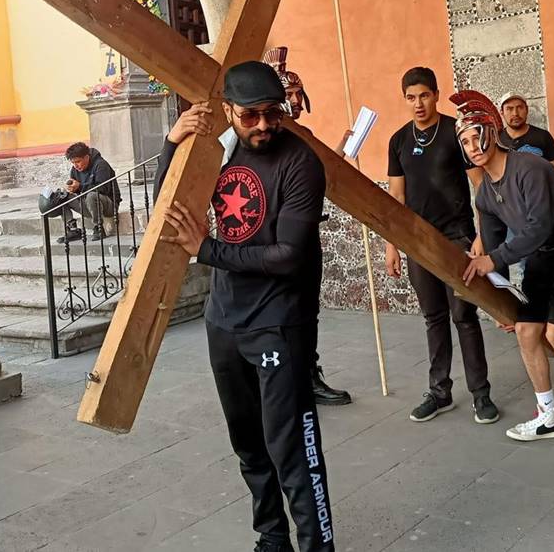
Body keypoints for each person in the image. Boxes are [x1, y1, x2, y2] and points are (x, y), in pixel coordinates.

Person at [156, 61, 334, 552]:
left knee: (291, 449)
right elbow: (168, 207)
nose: (263, 125)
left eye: (272, 114)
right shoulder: (218, 154)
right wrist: (173, 145)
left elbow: (287, 256)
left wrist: (206, 249)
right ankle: (271, 539)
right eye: (250, 115)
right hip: (225, 322)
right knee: (249, 446)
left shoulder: (300, 163)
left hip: (280, 324)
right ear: (229, 110)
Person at [454, 90, 554, 457]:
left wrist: (491, 262)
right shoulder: (484, 196)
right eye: (464, 141)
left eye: (477, 135)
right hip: (542, 253)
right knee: (525, 330)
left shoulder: (530, 167)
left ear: (492, 131)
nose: (473, 146)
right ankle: (549, 417)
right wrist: (504, 301)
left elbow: (538, 227)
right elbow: (496, 254)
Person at [384, 66, 498, 425]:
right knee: (433, 317)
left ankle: (481, 394)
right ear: (405, 99)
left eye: (424, 95)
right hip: (419, 243)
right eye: (411, 97)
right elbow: (396, 197)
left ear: (435, 94)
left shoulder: (455, 132)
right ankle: (440, 391)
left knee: (464, 316)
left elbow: (481, 186)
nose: (418, 104)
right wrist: (392, 246)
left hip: (457, 238)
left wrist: (481, 236)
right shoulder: (398, 140)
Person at [263, 46, 352, 406]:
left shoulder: (304, 136)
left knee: (306, 311)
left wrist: (341, 151)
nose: (297, 101)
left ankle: (308, 376)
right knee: (282, 313)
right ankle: (287, 379)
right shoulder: (266, 142)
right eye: (290, 95)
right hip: (274, 239)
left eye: (300, 94)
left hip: (305, 236)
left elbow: (321, 174)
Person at [58, 142, 120, 243]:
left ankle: (98, 227)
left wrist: (80, 186)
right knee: (61, 196)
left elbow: (103, 188)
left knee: (92, 196)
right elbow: (78, 190)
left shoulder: (101, 165)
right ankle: (72, 229)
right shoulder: (74, 170)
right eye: (73, 163)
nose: (75, 166)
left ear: (86, 157)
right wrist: (72, 189)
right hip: (88, 205)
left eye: (78, 161)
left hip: (109, 205)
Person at [497, 92, 554, 174]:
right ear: (502, 112)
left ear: (527, 110)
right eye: (509, 109)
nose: (515, 113)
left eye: (519, 108)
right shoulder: (497, 139)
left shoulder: (542, 136)